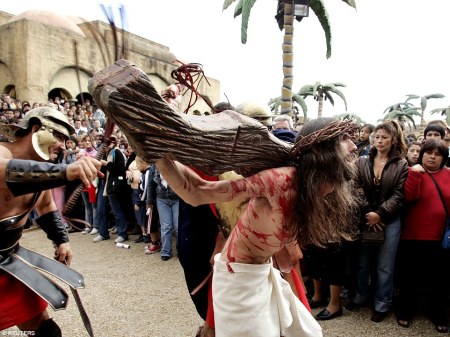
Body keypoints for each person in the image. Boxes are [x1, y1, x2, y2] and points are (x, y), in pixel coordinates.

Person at [155, 117, 358, 337]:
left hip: (265, 270)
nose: (355, 146)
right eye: (344, 139)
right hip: (238, 279)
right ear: (321, 148)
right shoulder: (280, 181)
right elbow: (197, 191)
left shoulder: (321, 188)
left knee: (306, 332)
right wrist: (156, 151)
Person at [0, 107, 102, 336]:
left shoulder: (43, 175)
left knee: (45, 329)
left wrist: (61, 240)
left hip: (7, 258)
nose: (63, 146)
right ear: (36, 129)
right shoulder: (2, 153)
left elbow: (46, 206)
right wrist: (65, 171)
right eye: (58, 137)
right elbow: (7, 172)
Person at [346, 121, 408, 323]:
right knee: (362, 262)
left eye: (385, 137)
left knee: (385, 265)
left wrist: (380, 214)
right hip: (365, 218)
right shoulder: (362, 161)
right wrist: (368, 212)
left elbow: (399, 195)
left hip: (390, 220)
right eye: (377, 137)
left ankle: (382, 303)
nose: (380, 141)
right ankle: (360, 296)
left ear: (393, 140)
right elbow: (355, 188)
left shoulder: (401, 164)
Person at [395, 139, 449, 333]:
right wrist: (416, 174)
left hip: (439, 236)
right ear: (422, 154)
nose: (432, 157)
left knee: (438, 279)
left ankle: (438, 314)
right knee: (409, 276)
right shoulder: (413, 171)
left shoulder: (448, 175)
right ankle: (404, 311)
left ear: (443, 158)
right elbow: (409, 197)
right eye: (429, 153)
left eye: (437, 154)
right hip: (413, 234)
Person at [148, 163, 179, 261]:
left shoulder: (177, 163)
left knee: (178, 226)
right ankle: (166, 252)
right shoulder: (154, 165)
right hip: (161, 199)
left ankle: (181, 250)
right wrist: (149, 201)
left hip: (177, 199)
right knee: (166, 226)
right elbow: (150, 183)